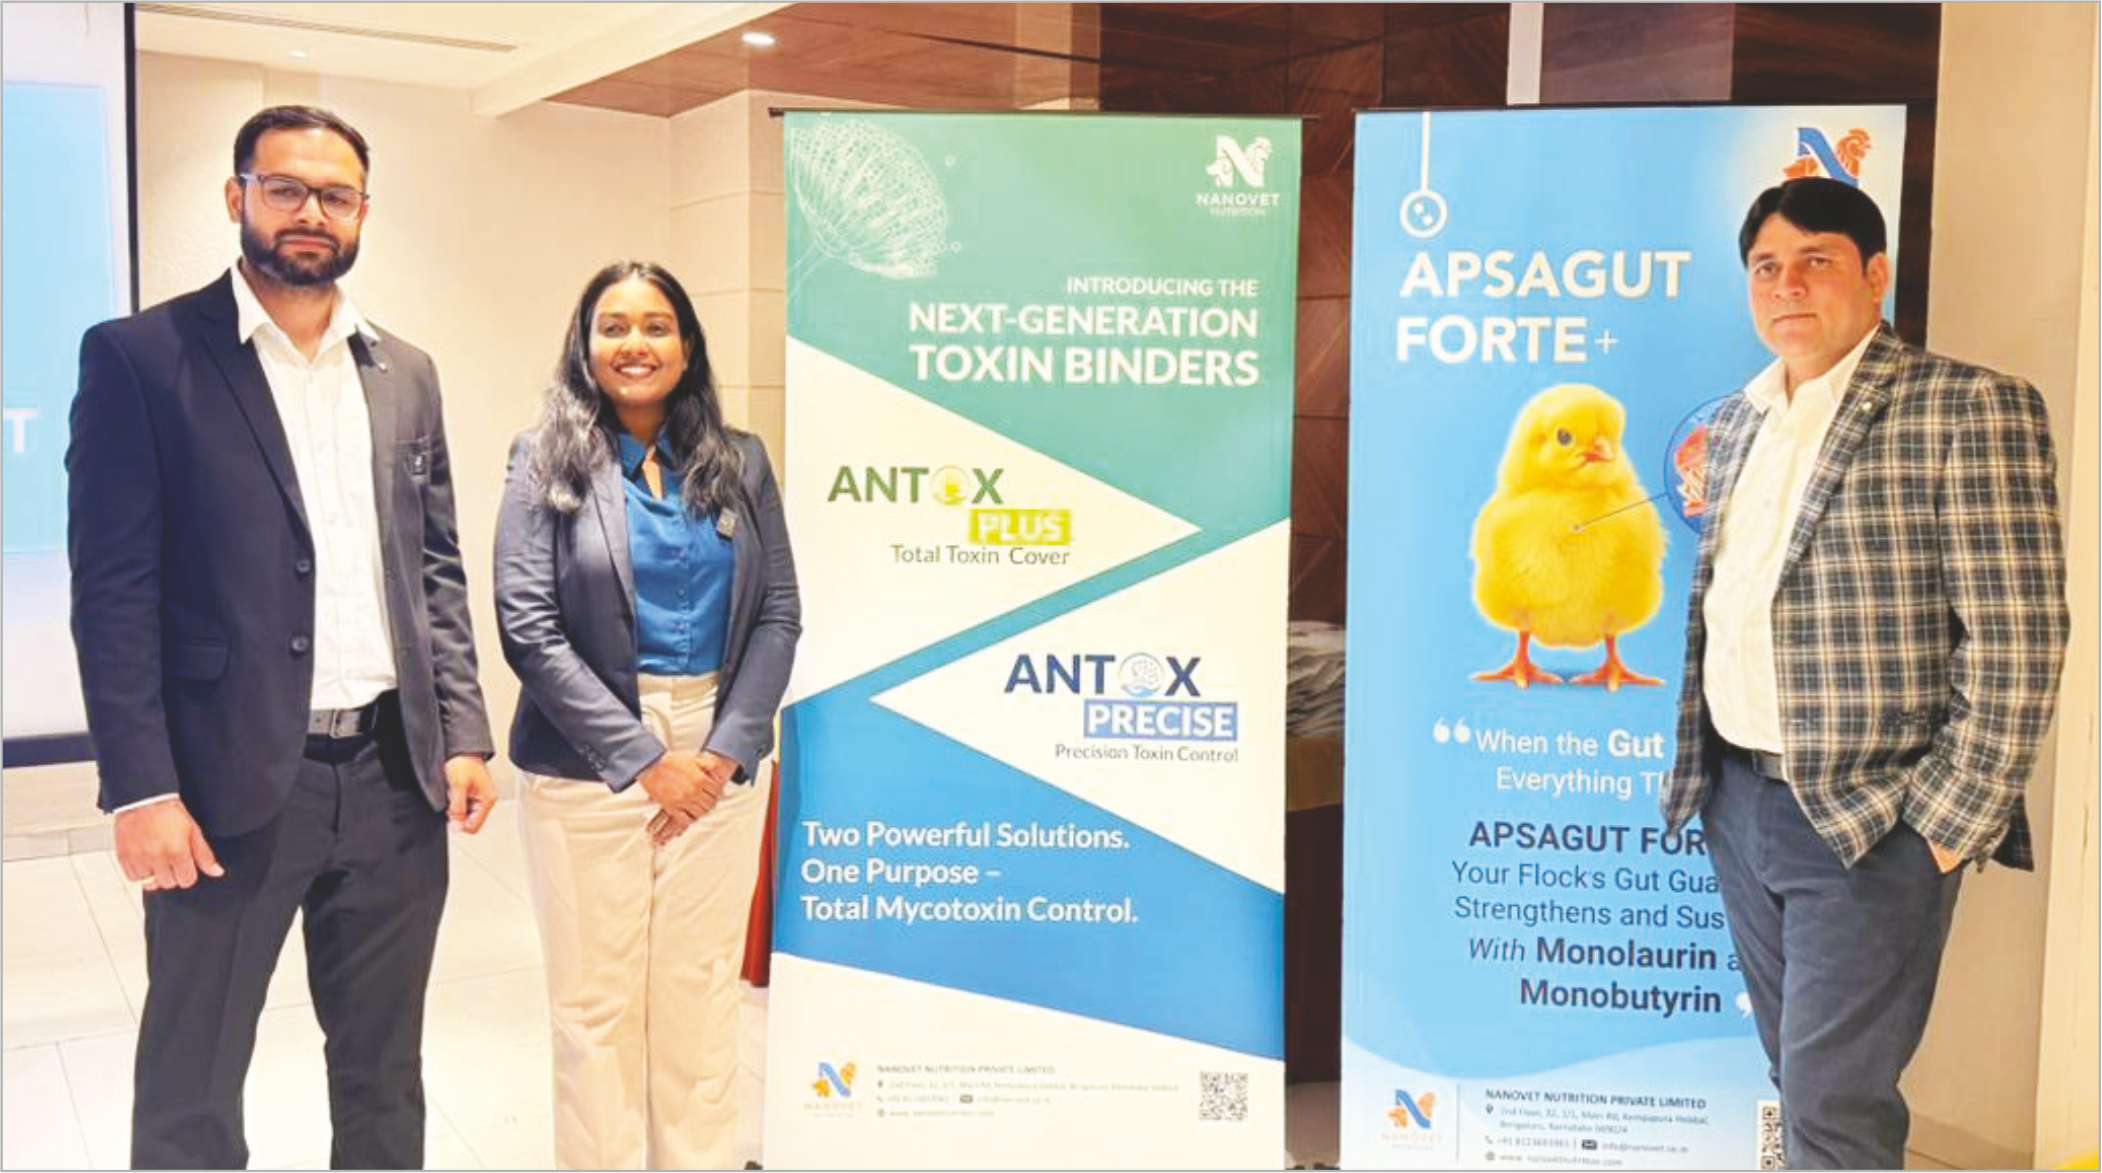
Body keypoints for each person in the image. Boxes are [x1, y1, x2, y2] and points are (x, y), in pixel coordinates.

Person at [67, 105, 498, 1168]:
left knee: (385, 1070)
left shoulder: (405, 371)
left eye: (335, 195)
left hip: (394, 780)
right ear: (238, 196)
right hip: (224, 785)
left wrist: (462, 732)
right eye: (287, 188)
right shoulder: (143, 357)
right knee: (194, 1078)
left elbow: (434, 568)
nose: (312, 212)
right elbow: (113, 593)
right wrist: (141, 788)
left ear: (363, 212)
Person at [1662, 176, 2069, 1169]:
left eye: (1817, 261)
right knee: (1797, 1076)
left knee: (1831, 1098)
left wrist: (1943, 829)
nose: (1787, 285)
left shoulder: (1967, 407)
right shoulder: (1740, 421)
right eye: (1766, 266)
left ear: (1875, 276)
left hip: (1872, 820)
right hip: (1738, 800)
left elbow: (2018, 635)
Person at [494, 260, 799, 1169]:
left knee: (700, 992)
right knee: (596, 1005)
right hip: (588, 758)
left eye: (657, 325)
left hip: (718, 750)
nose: (636, 344)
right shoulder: (543, 458)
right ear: (585, 345)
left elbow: (779, 611)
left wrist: (726, 749)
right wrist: (643, 758)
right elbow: (527, 622)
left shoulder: (741, 461)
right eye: (615, 326)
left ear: (688, 345)